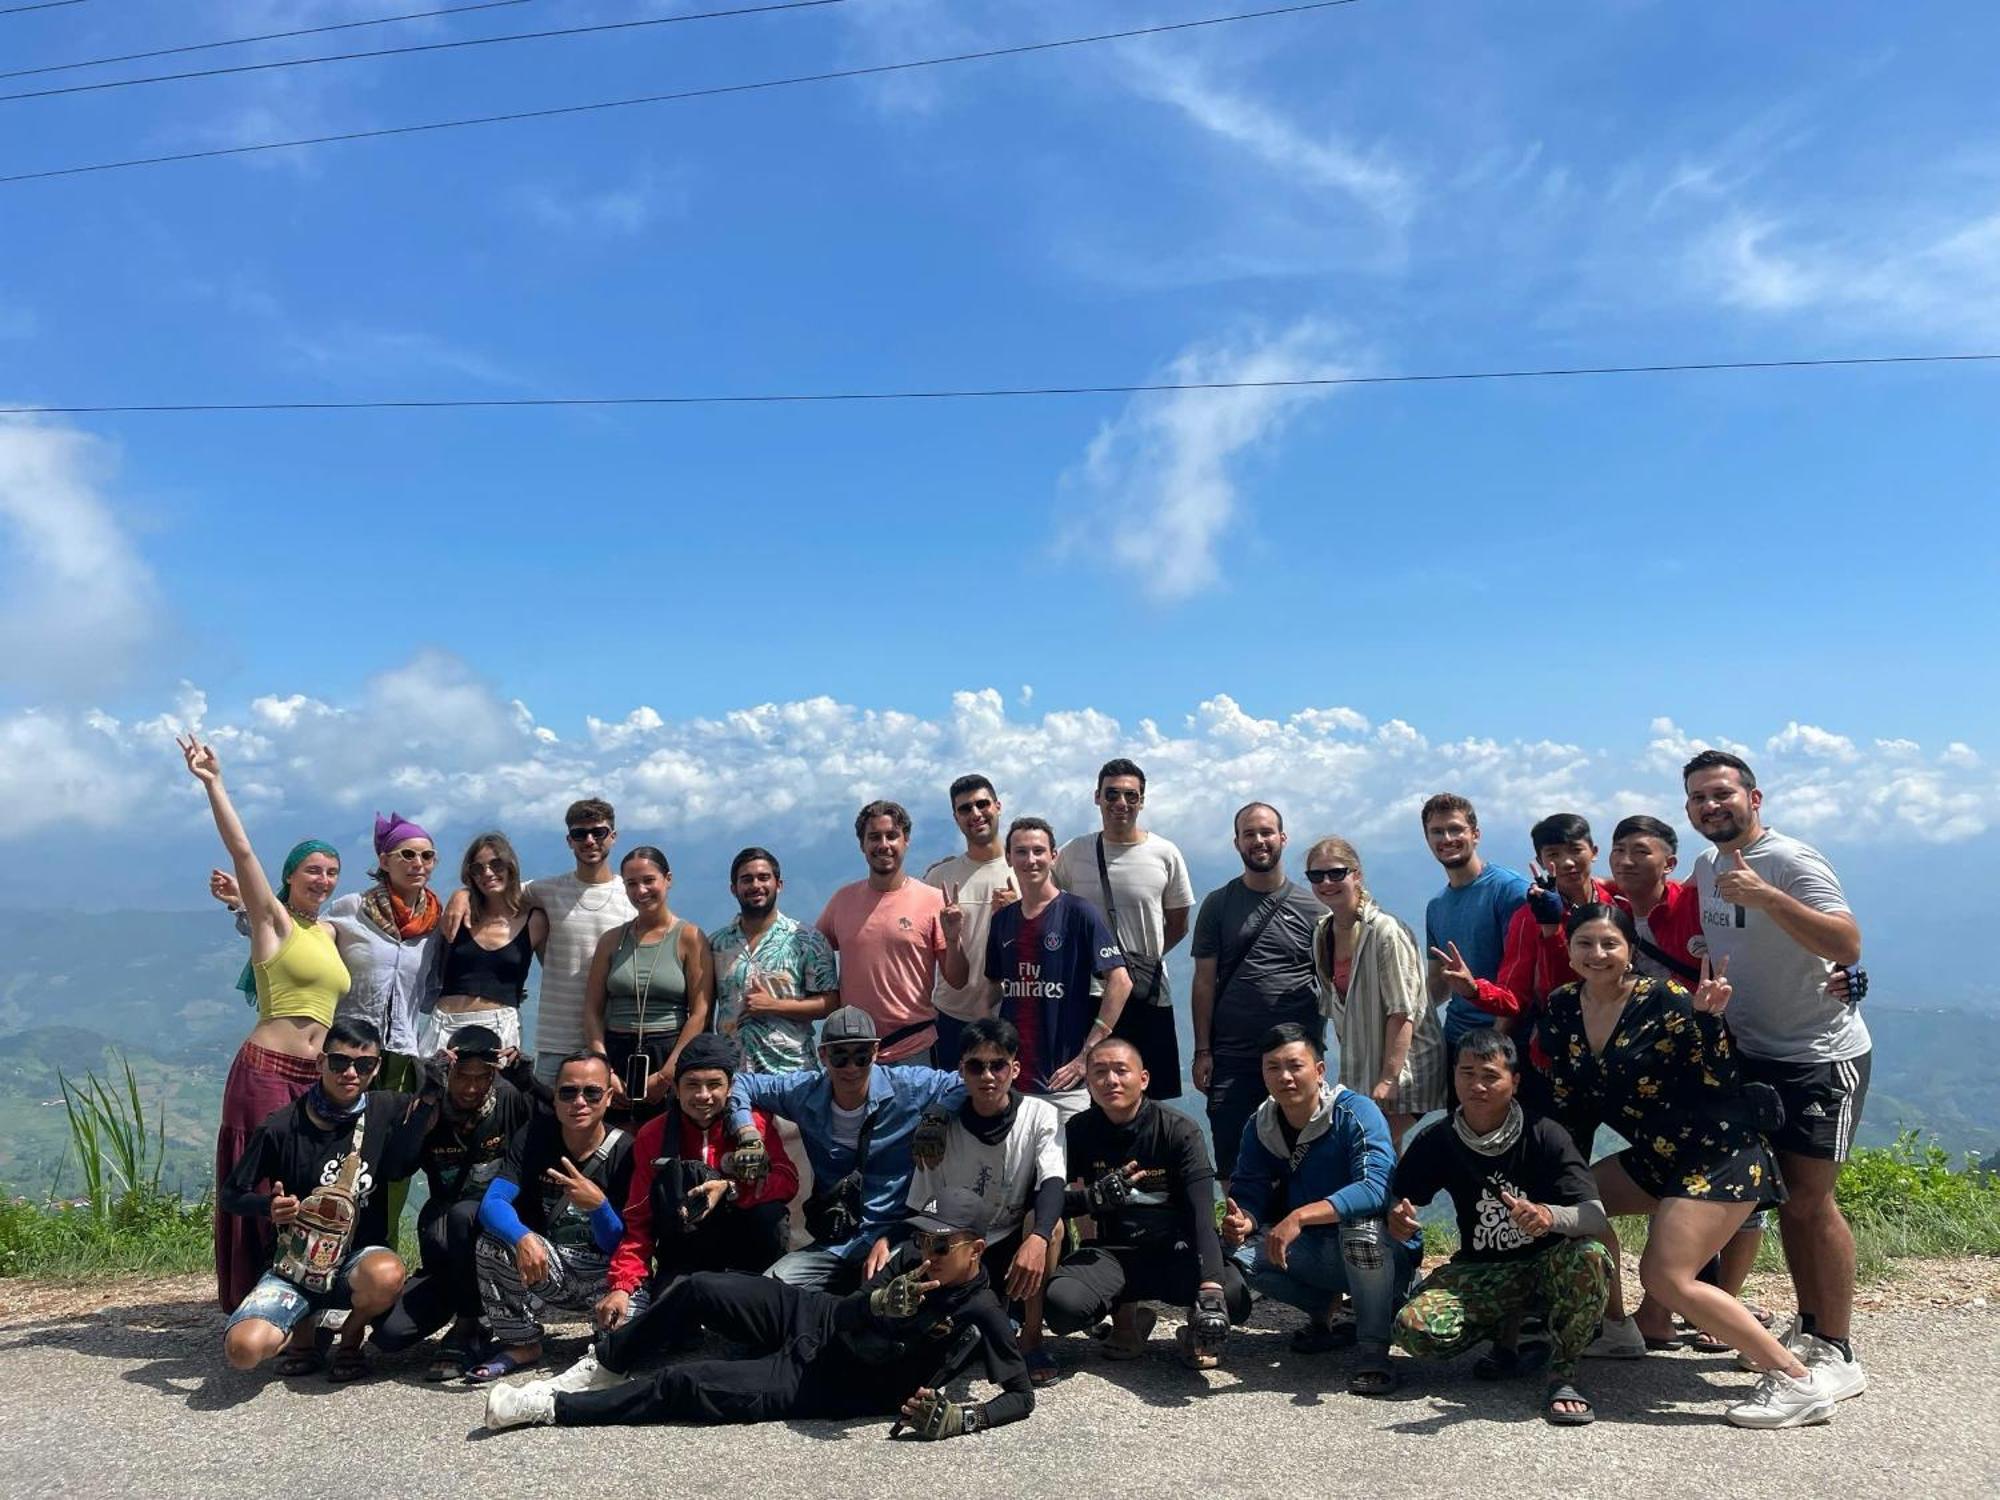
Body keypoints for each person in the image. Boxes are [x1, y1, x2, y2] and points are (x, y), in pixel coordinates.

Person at [1533, 903, 1837, 1428]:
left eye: (1610, 943)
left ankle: (1795, 1381)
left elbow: (1721, 1079)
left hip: (1719, 1153)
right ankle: (1618, 1330)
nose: (1598, 954)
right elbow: (1570, 1101)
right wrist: (1565, 1173)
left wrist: (1709, 1019)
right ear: (1569, 948)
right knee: (1576, 1208)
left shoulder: (1666, 1000)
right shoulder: (1562, 1007)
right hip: (1659, 1155)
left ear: (1630, 950)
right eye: (1585, 943)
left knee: (1666, 1276)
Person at [482, 1187, 1034, 1440]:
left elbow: (1020, 1395)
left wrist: (968, 1419)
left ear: (976, 1251)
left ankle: (551, 1409)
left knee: (683, 1384)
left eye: (942, 1247)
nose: (927, 1253)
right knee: (698, 1287)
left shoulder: (980, 1311)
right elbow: (848, 1313)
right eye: (924, 1240)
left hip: (826, 1380)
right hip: (816, 1318)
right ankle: (607, 1360)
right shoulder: (913, 1258)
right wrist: (876, 1303)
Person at [1684, 749, 1871, 1407]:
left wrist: (1768, 896)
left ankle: (1837, 1352)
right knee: (1789, 1198)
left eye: (1722, 794)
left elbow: (1846, 943)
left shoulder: (1792, 861)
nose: (1712, 806)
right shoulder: (1705, 868)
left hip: (1819, 1054)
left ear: (1754, 799)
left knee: (1812, 1202)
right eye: (1700, 799)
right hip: (1755, 1053)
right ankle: (1815, 1330)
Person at [182, 736, 352, 1312]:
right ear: (290, 875)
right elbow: (243, 852)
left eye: (331, 872)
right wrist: (213, 783)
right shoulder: (272, 922)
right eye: (312, 870)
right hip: (264, 1071)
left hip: (317, 1076)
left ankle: (300, 1302)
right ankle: (251, 1302)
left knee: (311, 1189)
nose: (323, 880)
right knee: (262, 1186)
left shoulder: (329, 933)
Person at [1387, 1029, 1613, 1427]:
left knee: (1591, 1257)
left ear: (1515, 1081)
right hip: (1482, 1268)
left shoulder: (1545, 1134)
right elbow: (1400, 1200)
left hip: (1547, 1263)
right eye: (1466, 1073)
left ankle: (1563, 1373)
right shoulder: (1439, 1139)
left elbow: (1594, 1216)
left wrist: (1549, 1216)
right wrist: (1398, 1217)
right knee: (1415, 1329)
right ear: (1453, 1077)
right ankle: (1512, 1331)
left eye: (1490, 1075)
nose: (1476, 1085)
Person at [216, 1018, 431, 1382]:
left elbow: (442, 1102)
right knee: (244, 1351)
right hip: (294, 1267)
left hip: (354, 1264)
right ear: (320, 1063)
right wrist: (268, 1207)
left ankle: (350, 1335)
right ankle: (304, 1328)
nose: (351, 1073)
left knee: (388, 1273)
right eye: (339, 1062)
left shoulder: (386, 1109)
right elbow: (231, 1195)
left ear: (377, 1068)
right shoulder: (281, 1127)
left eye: (364, 1065)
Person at [1219, 1024, 1412, 1395]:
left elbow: (1374, 1189)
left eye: (1295, 1065)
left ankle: (1374, 1348)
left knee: (1360, 1234)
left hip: (1380, 1249)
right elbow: (1250, 1189)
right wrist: (1243, 1220)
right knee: (1237, 1254)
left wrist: (1299, 1216)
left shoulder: (1356, 1112)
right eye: (1273, 1068)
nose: (1285, 1077)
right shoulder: (1260, 1125)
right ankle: (1323, 1310)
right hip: (1314, 1251)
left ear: (1320, 1071)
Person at [723, 1006, 966, 1293]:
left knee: (883, 1297)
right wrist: (747, 1132)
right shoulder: (804, 1091)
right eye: (840, 1056)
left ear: (876, 1052)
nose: (851, 1068)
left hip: (896, 1233)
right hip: (836, 1239)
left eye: (861, 1055)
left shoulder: (909, 1086)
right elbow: (741, 1082)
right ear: (823, 1055)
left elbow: (964, 1084)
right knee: (771, 1291)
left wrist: (936, 1117)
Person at [1043, 1037, 1250, 1371]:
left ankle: (1195, 1326)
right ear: (1089, 1082)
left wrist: (1210, 1288)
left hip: (1177, 1251)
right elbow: (1046, 1201)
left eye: (1121, 1071)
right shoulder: (1080, 1131)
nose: (1110, 1080)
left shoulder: (1179, 1131)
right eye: (1099, 1072)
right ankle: (1128, 1320)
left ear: (1144, 1079)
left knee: (1234, 1298)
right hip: (1115, 1252)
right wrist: (1091, 1198)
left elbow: (1202, 1214)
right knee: (1063, 1306)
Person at [370, 1025, 543, 1378]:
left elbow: (551, 1135)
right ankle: (466, 1305)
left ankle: (470, 1324)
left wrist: (530, 1083)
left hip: (501, 1241)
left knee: (465, 1214)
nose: (472, 1087)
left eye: (483, 1077)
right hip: (448, 1250)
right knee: (389, 1335)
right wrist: (429, 1098)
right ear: (449, 1069)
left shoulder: (509, 1098)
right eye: (463, 1076)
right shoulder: (431, 1104)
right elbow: (397, 1167)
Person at [908, 1016, 1066, 1384]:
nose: (988, 1076)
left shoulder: (1040, 1114)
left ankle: (1030, 1338)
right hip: (961, 1243)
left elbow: (1053, 1181)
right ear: (962, 1070)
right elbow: (920, 1205)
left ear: (1015, 1068)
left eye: (997, 1065)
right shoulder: (939, 1129)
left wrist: (1038, 1238)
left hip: (1011, 1237)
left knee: (1050, 1228)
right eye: (976, 1066)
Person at [601, 1032, 799, 1324]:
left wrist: (731, 1188)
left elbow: (787, 1181)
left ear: (731, 1087)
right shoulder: (652, 1136)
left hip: (744, 1248)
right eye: (692, 1084)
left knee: (769, 1215)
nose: (703, 1095)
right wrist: (621, 1286)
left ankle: (759, 1291)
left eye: (714, 1084)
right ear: (676, 1089)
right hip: (687, 1251)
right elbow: (638, 1221)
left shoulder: (755, 1125)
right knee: (670, 1329)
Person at [466, 1051, 637, 1382]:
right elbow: (492, 1203)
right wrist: (522, 1237)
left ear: (609, 1097)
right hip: (552, 1265)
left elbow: (626, 1242)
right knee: (492, 1242)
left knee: (623, 1351)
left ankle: (604, 1337)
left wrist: (599, 1206)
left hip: (610, 1276)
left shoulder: (627, 1151)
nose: (580, 1102)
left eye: (592, 1092)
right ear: (555, 1097)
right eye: (568, 1092)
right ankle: (522, 1342)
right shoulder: (534, 1137)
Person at [445, 798, 635, 1084]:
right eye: (580, 834)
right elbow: (496, 889)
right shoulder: (545, 891)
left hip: (613, 1034)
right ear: (569, 840)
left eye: (599, 832)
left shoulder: (631, 896)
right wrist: (460, 895)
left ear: (613, 836)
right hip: (556, 1038)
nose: (590, 840)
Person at [1190, 802, 1324, 1181]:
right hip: (1232, 1055)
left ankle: (1298, 1234)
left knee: (1304, 1159)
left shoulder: (1314, 908)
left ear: (1282, 838)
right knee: (1233, 1160)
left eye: (1266, 832)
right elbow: (1203, 981)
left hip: (1296, 1057)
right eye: (1249, 834)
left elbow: (1332, 980)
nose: (1259, 841)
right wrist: (1202, 1050)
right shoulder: (1218, 904)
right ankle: (1239, 1237)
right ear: (1237, 843)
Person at [1052, 758, 1195, 1096]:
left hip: (1147, 992)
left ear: (1142, 801)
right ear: (1097, 797)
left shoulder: (1165, 853)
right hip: (1087, 994)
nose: (1121, 803)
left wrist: (1137, 961)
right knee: (1088, 1094)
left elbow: (1178, 923)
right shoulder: (1075, 853)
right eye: (1112, 794)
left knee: (1149, 1095)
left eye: (1131, 796)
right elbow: (1043, 899)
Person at [984, 817, 1131, 1120]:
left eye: (1039, 851)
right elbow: (991, 990)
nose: (1030, 859)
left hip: (1065, 1085)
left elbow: (1121, 981)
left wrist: (1086, 1054)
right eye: (1021, 852)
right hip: (1013, 1084)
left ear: (1054, 855)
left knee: (1068, 1168)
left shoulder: (1079, 912)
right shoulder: (1002, 921)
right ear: (1009, 858)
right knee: (1015, 1169)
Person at [1303, 835, 1444, 1146]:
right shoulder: (1322, 933)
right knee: (1383, 1156)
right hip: (1364, 1070)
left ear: (1357, 875)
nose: (1327, 882)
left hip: (1408, 1070)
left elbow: (1402, 1010)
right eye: (1317, 876)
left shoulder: (1384, 932)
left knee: (1364, 1146)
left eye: (1337, 873)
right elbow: (1338, 1011)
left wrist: (1389, 1079)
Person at [1435, 813, 1616, 1041]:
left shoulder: (1618, 903)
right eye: (1553, 855)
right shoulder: (1529, 917)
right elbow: (1514, 997)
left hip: (1618, 1038)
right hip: (1559, 1045)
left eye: (1576, 850)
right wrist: (1474, 989)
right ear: (1540, 862)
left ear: (1594, 852)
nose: (1567, 862)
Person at [818, 799, 970, 1065]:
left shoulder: (932, 900)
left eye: (892, 836)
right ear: (862, 845)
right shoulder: (843, 900)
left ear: (906, 840)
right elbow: (811, 949)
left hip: (915, 1046)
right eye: (874, 837)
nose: (883, 845)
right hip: (856, 1051)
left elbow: (958, 979)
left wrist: (955, 938)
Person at [582, 846, 712, 1119]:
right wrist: (604, 1067)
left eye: (649, 880)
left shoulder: (689, 937)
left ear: (668, 879)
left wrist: (668, 1073)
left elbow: (700, 1011)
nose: (641, 891)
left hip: (669, 1051)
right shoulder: (611, 940)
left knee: (664, 1141)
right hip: (615, 1053)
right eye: (631, 883)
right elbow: (592, 1010)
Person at [320, 812, 445, 1096]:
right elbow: (303, 939)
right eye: (408, 855)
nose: (418, 864)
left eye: (427, 856)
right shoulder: (353, 908)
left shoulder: (438, 923)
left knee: (389, 1131)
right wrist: (245, 908)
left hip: (402, 1050)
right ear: (385, 861)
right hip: (348, 1048)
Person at [709, 846, 839, 1076]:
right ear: (734, 889)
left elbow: (830, 1002)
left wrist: (774, 1006)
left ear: (779, 884)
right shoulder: (716, 945)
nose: (756, 885)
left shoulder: (807, 940)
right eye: (746, 879)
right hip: (734, 1075)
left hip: (793, 1072)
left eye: (764, 878)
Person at [418, 831, 546, 1058]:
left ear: (510, 866)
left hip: (498, 1024)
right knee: (431, 1091)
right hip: (444, 1024)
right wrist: (461, 893)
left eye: (496, 865)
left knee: (493, 1093)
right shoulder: (458, 914)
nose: (487, 873)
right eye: (477, 869)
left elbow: (554, 970)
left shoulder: (534, 920)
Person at [1420, 793, 1532, 1050]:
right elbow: (1439, 982)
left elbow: (1522, 984)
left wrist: (1494, 1045)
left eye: (1455, 829)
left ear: (1476, 835)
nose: (1447, 839)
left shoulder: (1511, 892)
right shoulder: (1437, 906)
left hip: (1505, 1043)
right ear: (1427, 839)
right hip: (1456, 1040)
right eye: (1437, 832)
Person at [922, 774, 1019, 1069]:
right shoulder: (939, 878)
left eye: (982, 804)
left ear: (998, 806)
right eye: (965, 809)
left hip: (1012, 1011)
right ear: (955, 817)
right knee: (946, 1107)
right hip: (952, 1015)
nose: (975, 814)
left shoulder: (1028, 871)